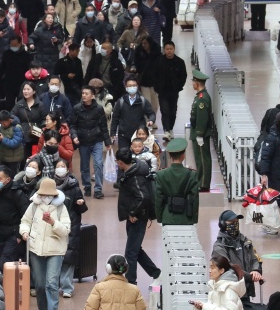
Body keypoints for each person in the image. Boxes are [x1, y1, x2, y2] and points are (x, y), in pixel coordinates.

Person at [19, 179, 71, 310]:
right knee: (40, 285)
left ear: (54, 195)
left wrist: (53, 222)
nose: (44, 198)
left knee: (51, 283)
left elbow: (66, 230)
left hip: (55, 250)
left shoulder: (61, 208)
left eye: (48, 195)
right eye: (42, 195)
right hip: (35, 249)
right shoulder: (34, 205)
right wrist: (25, 232)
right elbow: (25, 221)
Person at [115, 148, 161, 286]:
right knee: (135, 249)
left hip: (137, 217)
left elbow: (143, 197)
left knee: (130, 252)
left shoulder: (134, 176)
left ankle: (131, 283)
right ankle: (156, 273)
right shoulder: (136, 170)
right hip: (135, 216)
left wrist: (133, 212)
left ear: (121, 162)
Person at [212, 210, 264, 308]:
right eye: (231, 223)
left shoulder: (245, 241)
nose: (235, 225)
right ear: (223, 225)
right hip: (228, 292)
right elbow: (228, 268)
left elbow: (255, 259)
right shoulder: (219, 247)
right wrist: (250, 276)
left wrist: (256, 271)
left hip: (245, 290)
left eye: (236, 222)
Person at [70, 85, 113, 197]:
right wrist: (74, 136)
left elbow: (103, 126)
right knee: (84, 166)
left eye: (86, 93)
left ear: (92, 96)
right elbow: (73, 125)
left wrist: (108, 142)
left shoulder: (99, 109)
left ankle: (98, 189)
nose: (84, 95)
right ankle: (87, 186)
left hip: (97, 140)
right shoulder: (77, 108)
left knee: (98, 164)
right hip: (83, 141)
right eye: (83, 93)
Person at [52, 159, 86, 297]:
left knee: (69, 255)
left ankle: (67, 287)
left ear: (67, 169)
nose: (60, 169)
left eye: (63, 166)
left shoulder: (74, 187)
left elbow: (82, 208)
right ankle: (54, 284)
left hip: (71, 224)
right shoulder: (49, 186)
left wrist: (80, 203)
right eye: (58, 166)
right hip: (53, 224)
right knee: (54, 255)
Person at [154, 138, 200, 225]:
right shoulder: (192, 174)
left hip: (167, 217)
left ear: (169, 155)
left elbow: (158, 199)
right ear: (183, 155)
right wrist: (194, 219)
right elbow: (195, 199)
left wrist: (160, 218)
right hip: (186, 217)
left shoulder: (161, 174)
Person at [154, 40, 188, 141]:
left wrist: (178, 86)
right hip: (162, 91)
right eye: (167, 49)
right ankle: (166, 130)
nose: (169, 51)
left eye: (171, 49)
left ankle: (170, 129)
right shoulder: (159, 61)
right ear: (164, 50)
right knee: (164, 111)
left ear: (174, 49)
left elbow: (183, 76)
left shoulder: (180, 62)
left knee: (172, 112)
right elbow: (154, 76)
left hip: (174, 91)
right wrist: (157, 88)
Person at [111, 76, 156, 151]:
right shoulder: (121, 102)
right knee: (124, 157)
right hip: (124, 136)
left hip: (139, 136)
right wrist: (113, 133)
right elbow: (115, 118)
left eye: (134, 85)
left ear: (137, 86)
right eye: (130, 86)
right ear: (126, 87)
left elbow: (151, 113)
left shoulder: (143, 101)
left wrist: (151, 120)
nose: (132, 87)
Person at [11, 81, 47, 161]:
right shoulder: (19, 104)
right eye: (24, 89)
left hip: (36, 136)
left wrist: (42, 129)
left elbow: (45, 119)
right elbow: (12, 116)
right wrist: (18, 126)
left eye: (28, 89)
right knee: (24, 160)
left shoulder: (40, 105)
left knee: (36, 159)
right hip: (23, 137)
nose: (26, 91)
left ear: (34, 91)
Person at [190, 69, 213, 192]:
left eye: (193, 81)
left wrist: (199, 134)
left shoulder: (202, 98)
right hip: (198, 133)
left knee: (203, 159)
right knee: (199, 159)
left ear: (197, 83)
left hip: (201, 134)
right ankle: (200, 181)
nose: (192, 84)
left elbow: (202, 118)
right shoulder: (200, 96)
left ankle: (203, 183)